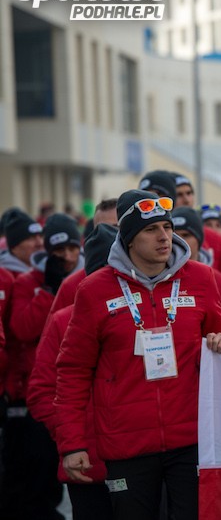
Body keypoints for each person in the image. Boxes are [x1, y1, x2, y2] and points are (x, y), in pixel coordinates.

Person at [54, 190, 221, 520]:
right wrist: (73, 445)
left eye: (167, 227)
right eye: (151, 230)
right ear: (128, 239)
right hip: (127, 445)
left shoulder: (200, 278)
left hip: (191, 439)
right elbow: (72, 371)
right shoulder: (94, 290)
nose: (164, 237)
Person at [28, 224, 118, 520]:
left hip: (140, 464)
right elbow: (41, 391)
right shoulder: (63, 321)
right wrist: (72, 437)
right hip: (87, 466)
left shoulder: (143, 316)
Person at [3, 213, 84, 519]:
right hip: (34, 395)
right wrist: (49, 290)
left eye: (72, 249)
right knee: (33, 476)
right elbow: (22, 328)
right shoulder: (28, 281)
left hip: (74, 391)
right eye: (59, 251)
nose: (67, 257)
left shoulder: (88, 279)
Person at [0, 208, 44, 275]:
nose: (40, 243)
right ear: (14, 248)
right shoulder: (4, 277)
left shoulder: (48, 272)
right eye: (31, 238)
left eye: (41, 236)